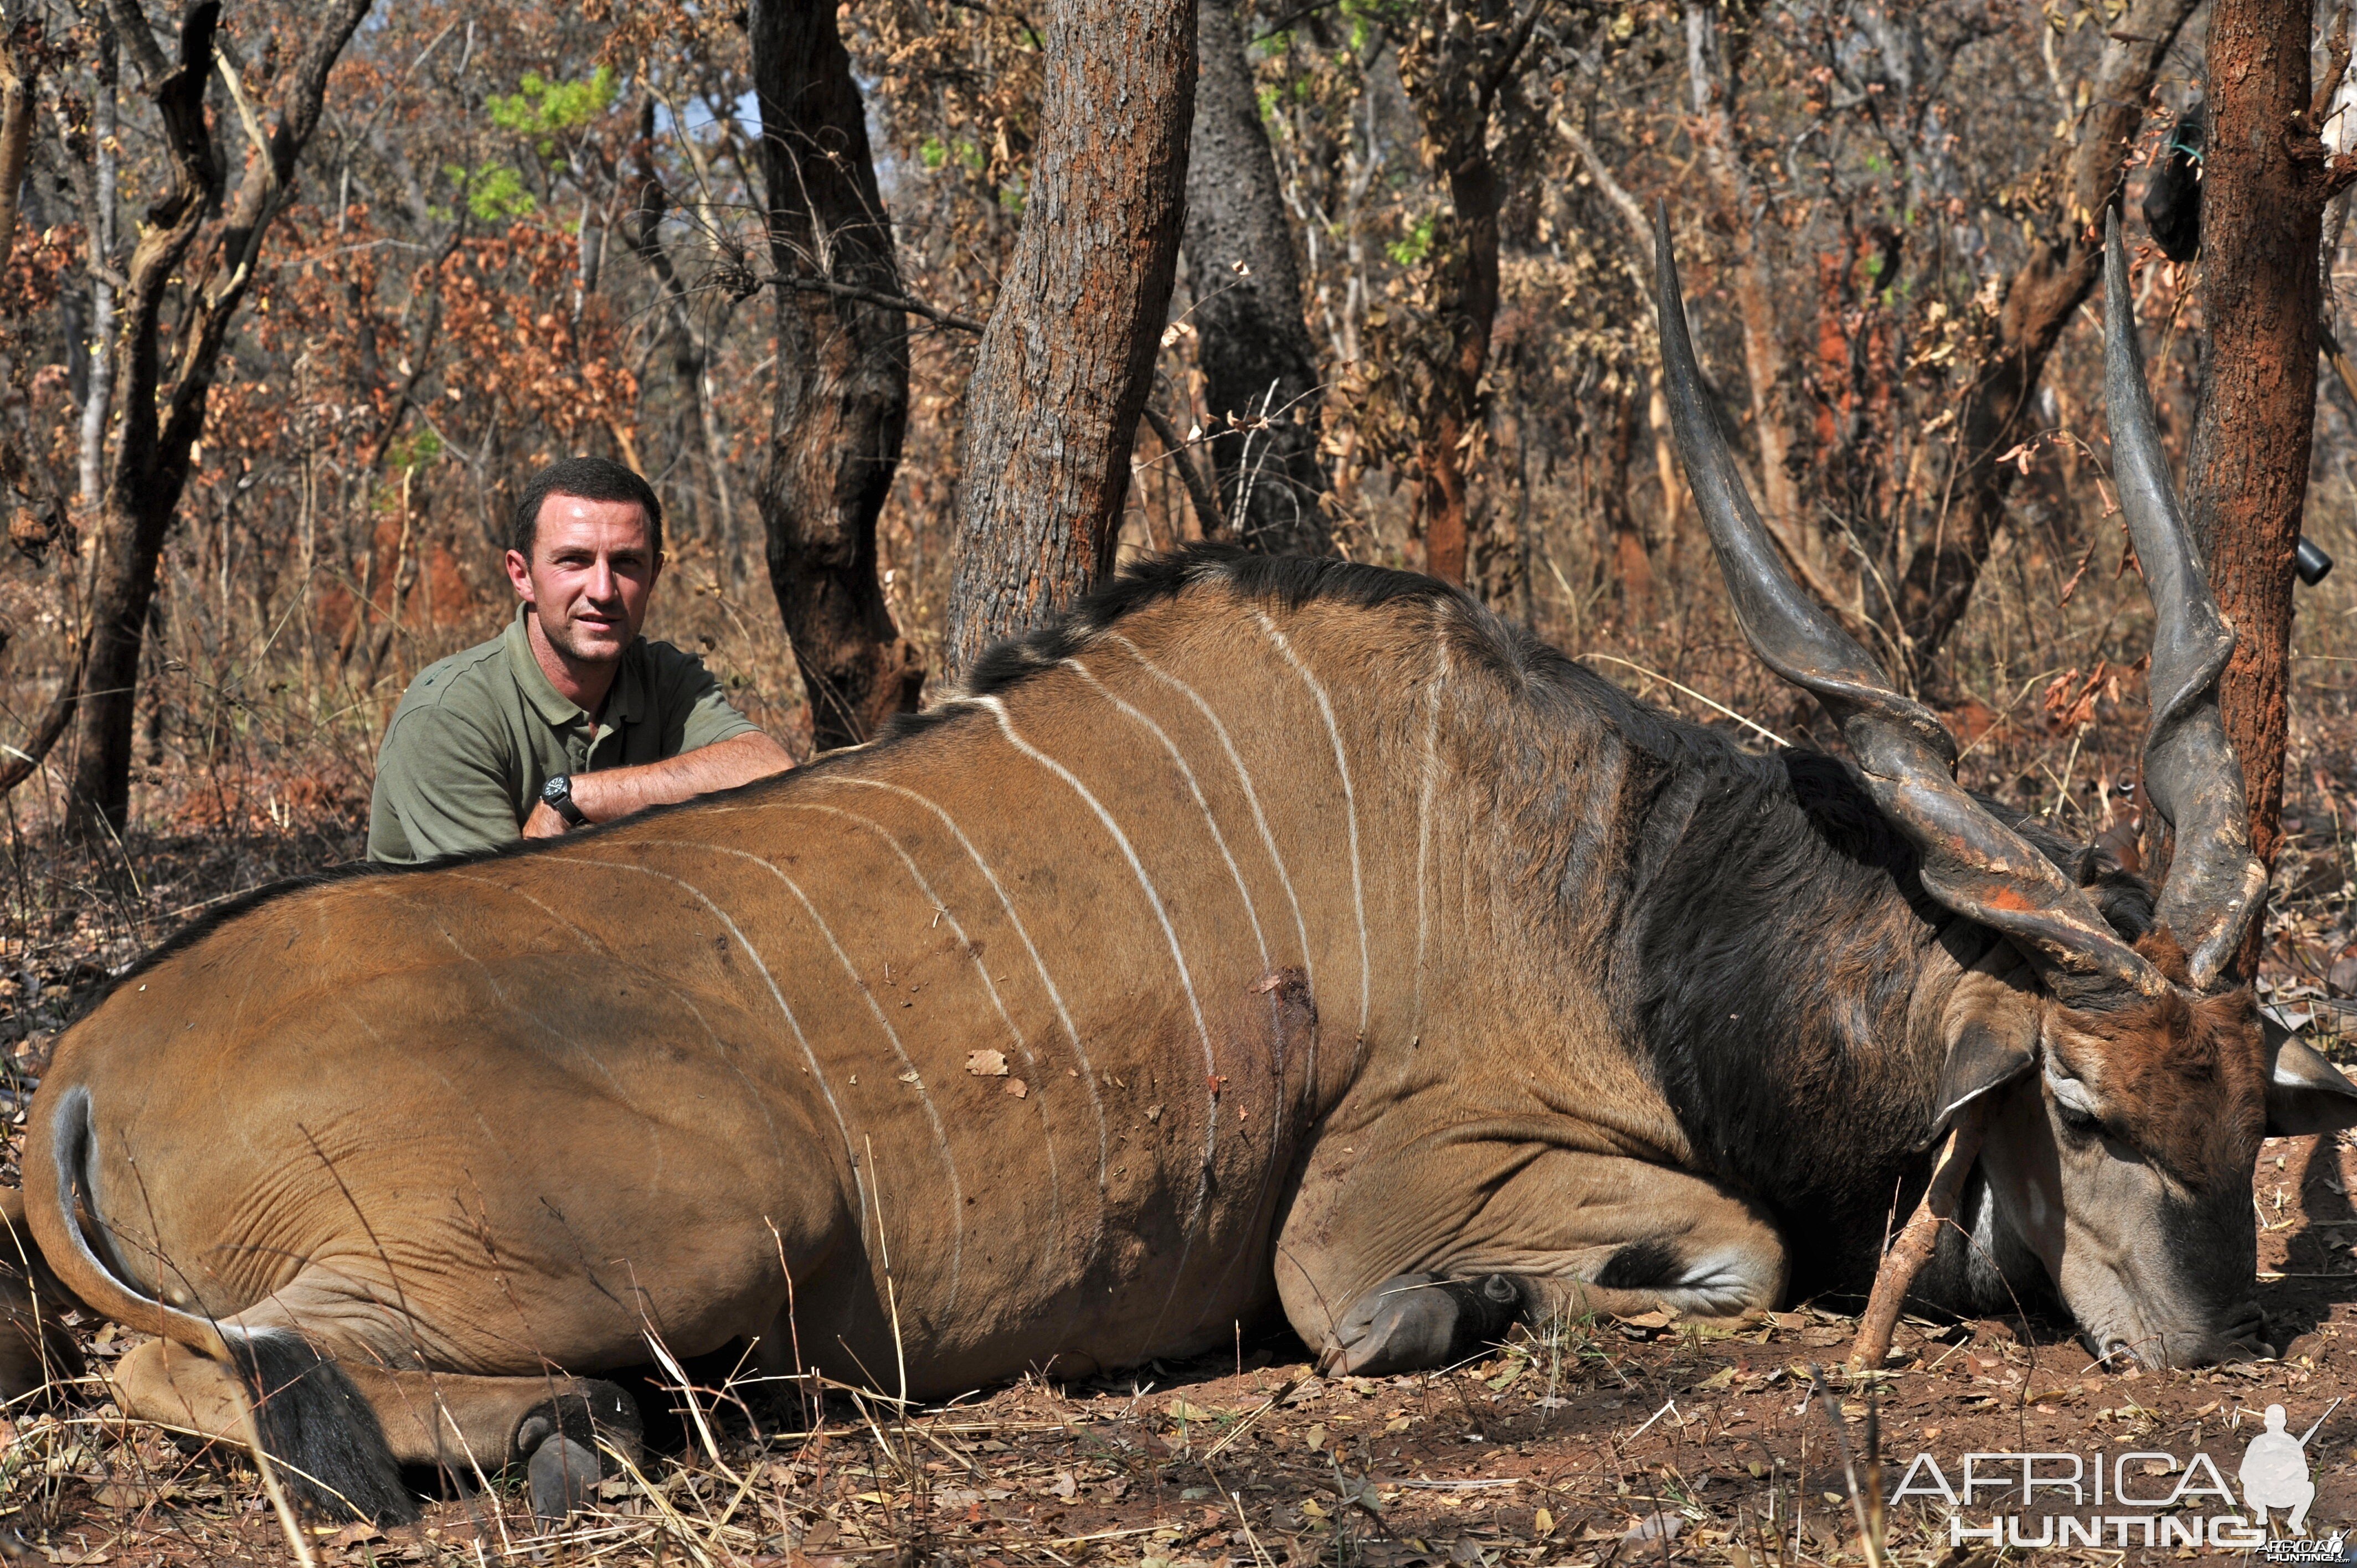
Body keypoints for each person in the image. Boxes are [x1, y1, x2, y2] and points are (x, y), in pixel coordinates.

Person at [367, 456, 794, 864]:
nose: (604, 590)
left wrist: (572, 798)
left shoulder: (667, 676)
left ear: (655, 576)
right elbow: (502, 914)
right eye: (574, 561)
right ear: (522, 576)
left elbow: (768, 767)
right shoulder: (446, 714)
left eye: (627, 563)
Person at [2239, 1403, 2317, 1535]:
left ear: (2284, 1422)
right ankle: (2261, 1514)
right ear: (2266, 1422)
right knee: (2249, 1488)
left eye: (2279, 1420)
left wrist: (2288, 1475)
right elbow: (2244, 1473)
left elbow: (2304, 1473)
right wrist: (2264, 1477)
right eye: (2272, 1420)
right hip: (2261, 1493)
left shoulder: (2292, 1443)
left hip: (2284, 1493)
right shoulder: (2258, 1443)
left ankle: (2295, 1522)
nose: (2275, 1424)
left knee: (2309, 1488)